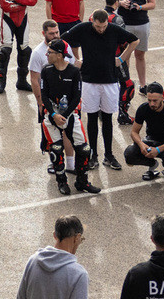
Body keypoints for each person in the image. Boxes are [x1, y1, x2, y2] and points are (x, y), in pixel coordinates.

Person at [64, 11, 137, 172]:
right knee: (91, 119)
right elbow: (63, 40)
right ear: (93, 22)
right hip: (89, 81)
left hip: (110, 81)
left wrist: (121, 59)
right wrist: (75, 59)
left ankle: (109, 155)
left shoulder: (113, 29)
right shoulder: (83, 28)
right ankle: (93, 155)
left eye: (103, 26)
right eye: (98, 26)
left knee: (107, 119)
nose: (101, 29)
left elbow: (134, 40)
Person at [38, 40, 97, 195]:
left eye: (49, 52)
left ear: (59, 55)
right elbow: (43, 96)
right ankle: (61, 182)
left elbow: (77, 97)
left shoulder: (74, 72)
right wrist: (53, 114)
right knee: (56, 149)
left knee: (84, 149)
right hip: (51, 115)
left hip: (70, 115)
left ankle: (82, 182)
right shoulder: (46, 70)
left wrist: (63, 115)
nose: (47, 54)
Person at [111, 0, 157, 92]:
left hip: (142, 23)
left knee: (140, 55)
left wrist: (140, 7)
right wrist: (120, 3)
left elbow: (152, 4)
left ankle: (142, 85)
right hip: (124, 25)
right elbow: (110, 1)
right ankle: (126, 82)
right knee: (125, 55)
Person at [0, 0, 38, 95]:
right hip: (7, 19)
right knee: (5, 51)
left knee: (25, 50)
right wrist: (24, 2)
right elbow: (5, 5)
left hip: (23, 19)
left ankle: (22, 81)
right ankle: (1, 82)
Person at [124, 83, 164, 182]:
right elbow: (134, 132)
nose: (152, 104)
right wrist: (141, 144)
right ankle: (152, 165)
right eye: (149, 100)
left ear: (163, 97)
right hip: (150, 140)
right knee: (129, 154)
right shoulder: (143, 108)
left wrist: (158, 150)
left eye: (155, 101)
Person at [28, 21, 72, 92]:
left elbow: (73, 67)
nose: (55, 36)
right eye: (51, 33)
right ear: (43, 33)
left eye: (57, 32)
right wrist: (40, 101)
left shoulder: (66, 46)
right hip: (48, 93)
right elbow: (34, 80)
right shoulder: (37, 53)